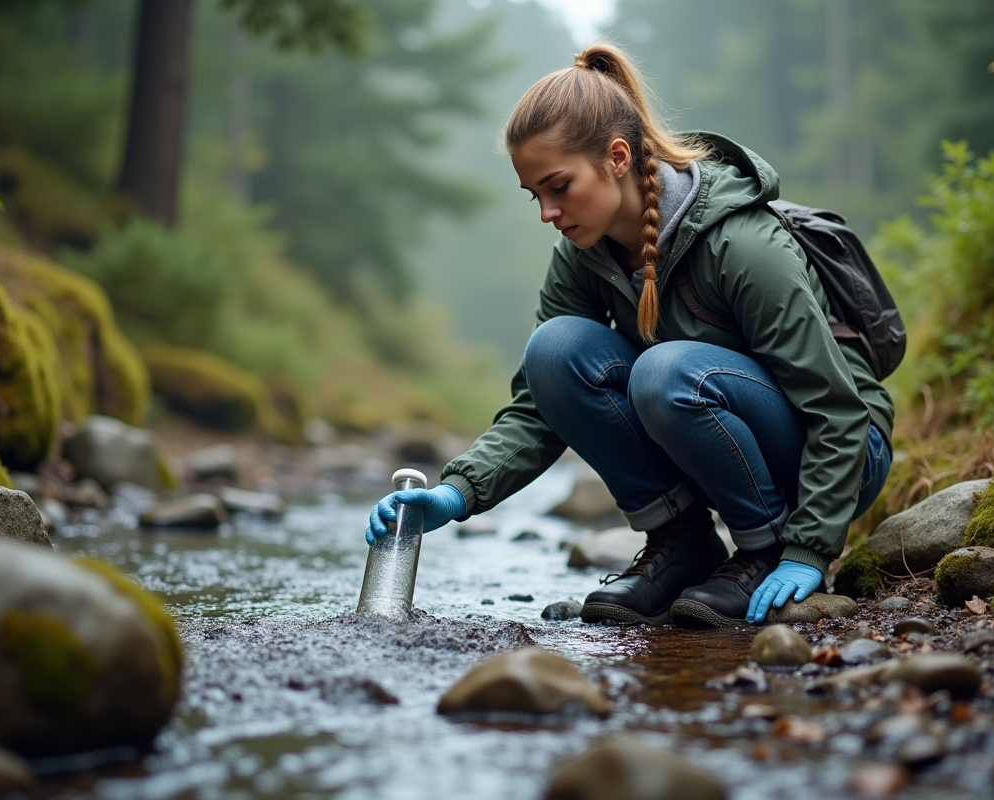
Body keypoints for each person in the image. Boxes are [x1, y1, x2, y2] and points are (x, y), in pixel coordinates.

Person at [366, 44, 893, 628]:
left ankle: (761, 548)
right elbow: (540, 406)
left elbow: (839, 413)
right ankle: (682, 545)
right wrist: (457, 493)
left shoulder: (743, 245)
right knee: (555, 350)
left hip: (841, 452)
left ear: (617, 157)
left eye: (558, 187)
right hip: (716, 426)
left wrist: (807, 550)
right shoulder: (583, 254)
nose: (547, 212)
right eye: (535, 194)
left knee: (664, 372)